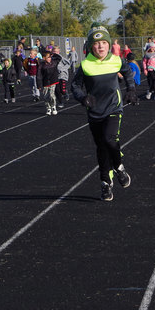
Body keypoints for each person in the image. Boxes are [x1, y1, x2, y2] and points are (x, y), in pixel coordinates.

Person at [70, 24, 137, 201]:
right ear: (91, 46)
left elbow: (128, 73)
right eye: (97, 43)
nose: (100, 46)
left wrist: (131, 89)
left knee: (110, 139)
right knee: (101, 148)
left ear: (109, 44)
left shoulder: (117, 60)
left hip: (114, 108)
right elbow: (75, 85)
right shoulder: (85, 65)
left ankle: (119, 167)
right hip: (94, 112)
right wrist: (83, 98)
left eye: (104, 43)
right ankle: (105, 183)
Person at [38, 51, 61, 115]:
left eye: (50, 57)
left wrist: (53, 54)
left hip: (53, 81)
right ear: (44, 58)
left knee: (51, 95)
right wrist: (39, 85)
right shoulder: (41, 65)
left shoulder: (54, 62)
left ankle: (53, 106)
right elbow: (39, 75)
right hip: (45, 83)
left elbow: (59, 58)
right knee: (45, 96)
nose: (49, 59)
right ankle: (48, 108)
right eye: (48, 57)